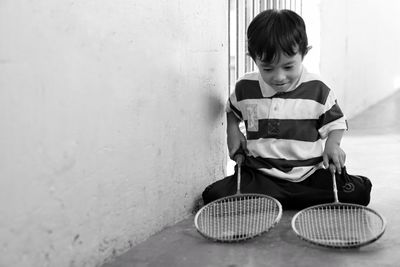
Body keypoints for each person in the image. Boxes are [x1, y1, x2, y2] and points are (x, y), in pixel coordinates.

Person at [202, 9, 371, 209]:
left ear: (304, 53)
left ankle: (275, 202)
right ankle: (284, 199)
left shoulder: (318, 89)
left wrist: (332, 145)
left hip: (308, 176)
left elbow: (336, 123)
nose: (279, 77)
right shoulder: (244, 88)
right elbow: (232, 110)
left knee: (358, 193)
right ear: (253, 58)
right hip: (261, 176)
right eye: (267, 68)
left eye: (288, 67)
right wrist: (233, 131)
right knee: (213, 196)